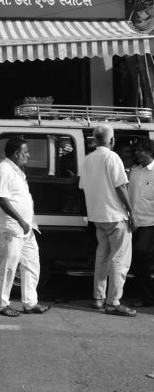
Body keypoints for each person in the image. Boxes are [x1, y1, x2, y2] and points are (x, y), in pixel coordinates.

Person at [79, 123, 136, 316]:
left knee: (102, 258)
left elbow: (83, 187)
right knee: (120, 260)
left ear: (95, 139)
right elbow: (121, 187)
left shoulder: (87, 160)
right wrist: (131, 212)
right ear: (112, 140)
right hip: (115, 216)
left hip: (98, 217)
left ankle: (98, 298)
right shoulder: (113, 157)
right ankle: (113, 302)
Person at [0, 136, 50, 317]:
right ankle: (2, 305)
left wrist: (26, 223)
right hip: (11, 227)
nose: (28, 155)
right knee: (8, 267)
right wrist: (20, 220)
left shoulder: (17, 171)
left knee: (32, 263)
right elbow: (1, 199)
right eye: (25, 152)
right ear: (16, 153)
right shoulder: (3, 170)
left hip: (25, 228)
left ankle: (30, 303)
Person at [128, 137, 154, 307]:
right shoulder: (134, 171)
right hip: (132, 222)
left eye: (139, 151)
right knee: (136, 260)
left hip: (150, 222)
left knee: (141, 254)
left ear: (149, 152)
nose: (137, 154)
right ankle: (145, 296)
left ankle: (148, 297)